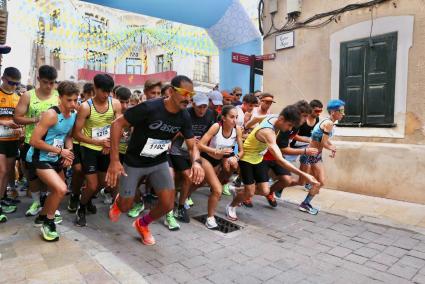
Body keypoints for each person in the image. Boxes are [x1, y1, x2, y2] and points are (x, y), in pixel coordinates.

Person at [106, 75, 204, 246]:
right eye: (184, 93)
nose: (188, 98)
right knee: (125, 207)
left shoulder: (184, 116)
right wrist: (114, 160)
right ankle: (119, 200)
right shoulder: (149, 107)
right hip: (135, 162)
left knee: (167, 204)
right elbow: (117, 124)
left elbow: (192, 145)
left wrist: (196, 162)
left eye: (191, 94)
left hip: (158, 161)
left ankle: (142, 224)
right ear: (172, 91)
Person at [225, 105, 318, 221]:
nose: (289, 129)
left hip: (259, 158)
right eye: (289, 125)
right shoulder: (268, 132)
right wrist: (304, 174)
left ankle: (238, 190)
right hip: (247, 158)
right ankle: (231, 206)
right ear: (282, 119)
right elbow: (280, 159)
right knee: (250, 192)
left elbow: (256, 119)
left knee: (265, 191)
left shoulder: (274, 117)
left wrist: (246, 127)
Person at [26, 81, 78, 241]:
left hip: (55, 157)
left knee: (59, 191)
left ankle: (41, 217)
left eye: (76, 100)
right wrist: (60, 151)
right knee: (61, 189)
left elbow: (68, 136)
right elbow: (34, 141)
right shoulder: (51, 114)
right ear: (60, 98)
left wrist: (68, 152)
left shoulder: (73, 115)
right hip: (38, 157)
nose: (73, 104)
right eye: (69, 100)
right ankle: (48, 223)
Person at [73, 74, 121, 226]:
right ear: (95, 88)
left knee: (102, 183)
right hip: (89, 148)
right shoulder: (86, 107)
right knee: (92, 185)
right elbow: (76, 134)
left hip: (106, 148)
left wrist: (110, 145)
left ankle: (86, 201)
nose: (106, 95)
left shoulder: (115, 104)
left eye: (109, 91)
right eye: (103, 91)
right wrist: (98, 142)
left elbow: (118, 128)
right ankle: (81, 207)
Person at [14, 65, 59, 218]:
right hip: (31, 142)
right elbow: (16, 117)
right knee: (32, 176)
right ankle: (36, 202)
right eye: (45, 82)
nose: (49, 86)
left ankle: (47, 201)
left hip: (52, 144)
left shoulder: (58, 96)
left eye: (52, 83)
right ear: (38, 79)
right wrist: (35, 119)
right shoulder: (28, 95)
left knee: (49, 175)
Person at [169, 92, 216, 224]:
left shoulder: (210, 114)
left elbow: (209, 132)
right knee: (186, 175)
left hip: (195, 151)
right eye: (199, 106)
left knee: (195, 178)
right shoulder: (184, 113)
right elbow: (173, 131)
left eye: (204, 107)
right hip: (178, 150)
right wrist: (187, 136)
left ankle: (181, 203)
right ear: (193, 104)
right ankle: (175, 205)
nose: (202, 110)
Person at [262, 100, 318, 206]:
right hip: (264, 156)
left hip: (277, 157)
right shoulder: (286, 126)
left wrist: (307, 140)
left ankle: (270, 192)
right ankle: (245, 193)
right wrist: (305, 151)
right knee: (260, 185)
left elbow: (291, 138)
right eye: (305, 116)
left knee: (286, 180)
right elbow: (283, 148)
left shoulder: (295, 126)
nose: (306, 119)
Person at [198, 105, 243, 229]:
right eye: (232, 117)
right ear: (223, 117)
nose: (235, 120)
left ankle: (182, 200)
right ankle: (210, 218)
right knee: (217, 189)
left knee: (199, 183)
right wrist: (216, 151)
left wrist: (235, 157)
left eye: (236, 117)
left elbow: (240, 150)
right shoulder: (216, 127)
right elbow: (200, 145)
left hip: (219, 160)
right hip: (206, 158)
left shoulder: (237, 129)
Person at [298, 99, 345, 215]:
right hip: (311, 155)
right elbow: (323, 143)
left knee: (319, 182)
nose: (344, 114)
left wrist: (331, 146)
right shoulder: (328, 124)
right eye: (341, 111)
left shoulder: (328, 122)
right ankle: (278, 187)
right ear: (333, 112)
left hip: (316, 155)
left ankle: (305, 203)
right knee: (306, 182)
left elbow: (323, 141)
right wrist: (332, 148)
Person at [67, 83, 95, 212]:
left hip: (91, 145)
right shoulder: (76, 107)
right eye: (92, 94)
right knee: (78, 170)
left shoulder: (102, 107)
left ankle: (86, 199)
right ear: (86, 94)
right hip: (76, 144)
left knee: (90, 175)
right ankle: (74, 195)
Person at [0, 67, 22, 222]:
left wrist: (21, 129)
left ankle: (2, 198)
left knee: (7, 172)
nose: (13, 86)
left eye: (16, 83)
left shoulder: (19, 97)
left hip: (12, 140)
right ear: (3, 78)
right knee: (1, 171)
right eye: (10, 82)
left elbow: (21, 118)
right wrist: (4, 122)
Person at [288, 99, 323, 192]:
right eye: (316, 111)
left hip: (307, 146)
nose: (318, 113)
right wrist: (306, 139)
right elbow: (293, 135)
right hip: (293, 146)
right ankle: (278, 181)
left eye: (320, 111)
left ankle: (307, 182)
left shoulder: (317, 119)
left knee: (309, 163)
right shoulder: (302, 119)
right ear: (310, 109)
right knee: (282, 163)